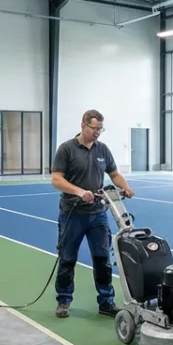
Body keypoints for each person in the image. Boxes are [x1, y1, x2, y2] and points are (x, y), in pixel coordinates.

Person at [49, 109, 134, 318]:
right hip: (72, 214)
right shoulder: (66, 149)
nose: (97, 132)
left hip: (98, 214)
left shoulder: (102, 150)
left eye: (100, 129)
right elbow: (56, 179)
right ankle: (63, 300)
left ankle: (106, 301)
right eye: (94, 128)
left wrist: (125, 187)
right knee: (67, 259)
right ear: (83, 125)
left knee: (102, 259)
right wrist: (79, 191)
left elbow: (114, 174)